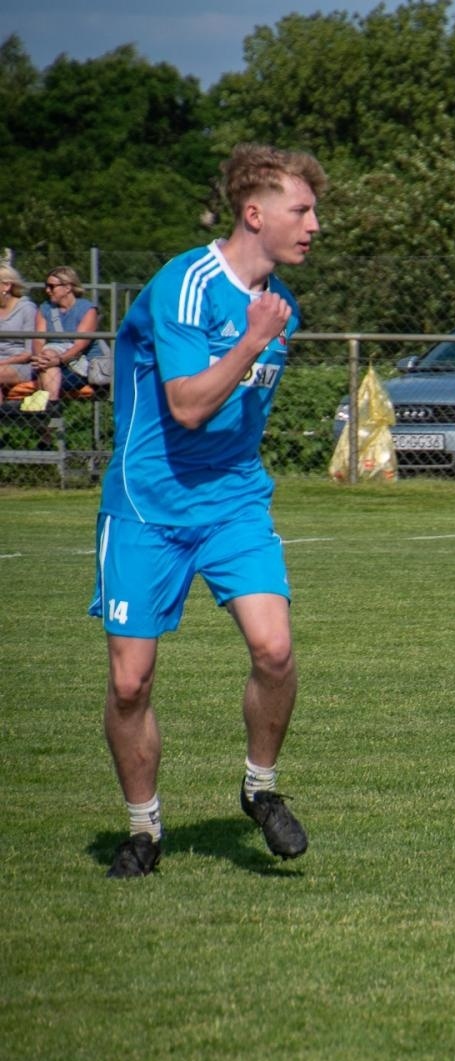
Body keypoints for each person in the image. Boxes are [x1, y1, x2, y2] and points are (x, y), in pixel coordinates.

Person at [92, 143, 327, 878]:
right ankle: (143, 828)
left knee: (276, 649)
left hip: (232, 503)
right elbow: (188, 404)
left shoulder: (281, 305)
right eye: (302, 209)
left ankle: (259, 788)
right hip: (146, 506)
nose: (315, 224)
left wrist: (263, 333)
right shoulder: (186, 285)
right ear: (254, 214)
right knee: (131, 681)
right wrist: (253, 337)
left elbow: (242, 418)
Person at [32, 266, 110, 401]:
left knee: (49, 364)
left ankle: (49, 407)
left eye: (52, 286)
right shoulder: (45, 308)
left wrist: (58, 360)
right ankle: (52, 405)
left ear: (67, 287)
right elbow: (39, 340)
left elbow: (80, 345)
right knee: (47, 356)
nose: (47, 290)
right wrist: (42, 360)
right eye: (46, 286)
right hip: (49, 363)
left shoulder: (87, 309)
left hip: (81, 365)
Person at [0, 265, 41, 395]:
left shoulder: (27, 309)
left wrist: (3, 362)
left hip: (19, 364)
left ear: (6, 286)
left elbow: (29, 353)